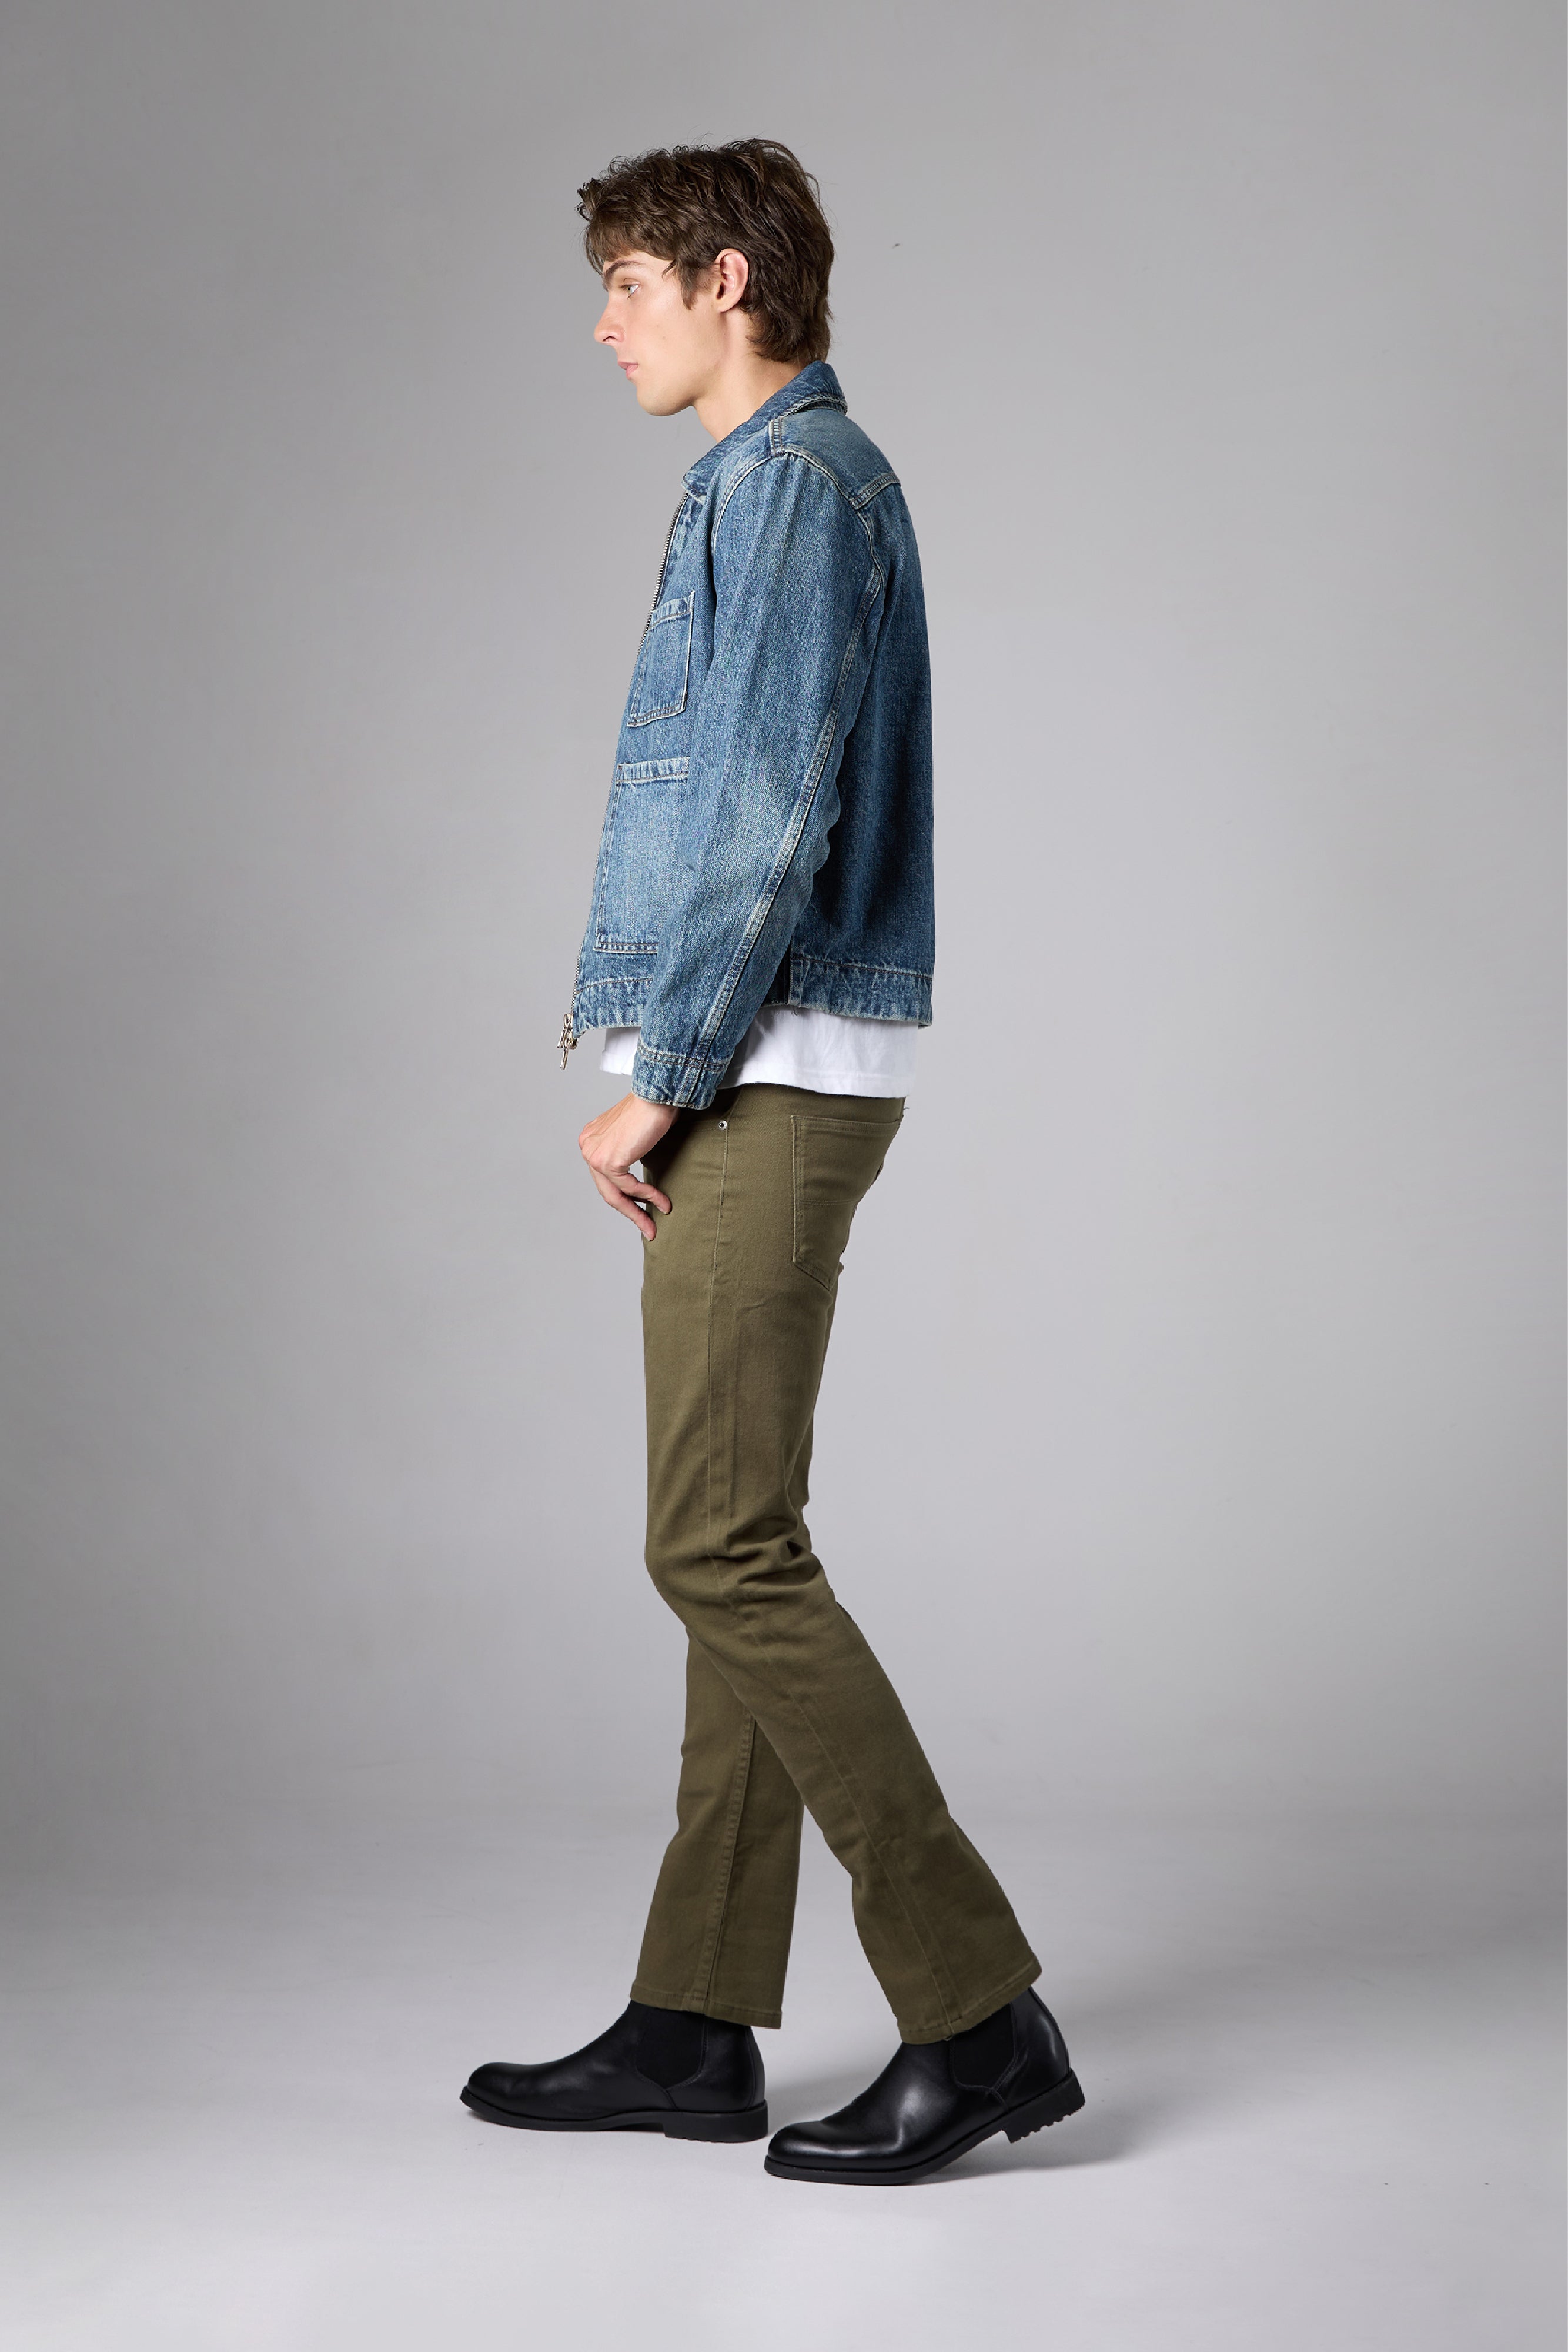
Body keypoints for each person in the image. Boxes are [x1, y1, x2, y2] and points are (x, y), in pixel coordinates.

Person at [460, 138, 1082, 2186]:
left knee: (716, 1546)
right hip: (773, 1055)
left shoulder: (792, 487)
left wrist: (662, 1073)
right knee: (741, 1533)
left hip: (762, 1062)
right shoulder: (781, 482)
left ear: (726, 281)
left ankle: (974, 2014)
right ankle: (693, 2020)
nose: (603, 325)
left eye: (628, 285)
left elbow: (761, 816)